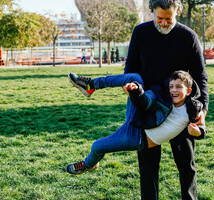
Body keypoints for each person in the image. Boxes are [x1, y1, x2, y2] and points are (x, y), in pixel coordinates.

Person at [125, 0, 208, 200]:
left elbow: (200, 76)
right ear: (152, 12)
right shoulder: (140, 32)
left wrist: (203, 110)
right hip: (148, 108)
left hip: (181, 109)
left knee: (186, 166)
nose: (163, 23)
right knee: (148, 167)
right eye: (159, 18)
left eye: (168, 19)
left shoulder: (188, 36)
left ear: (177, 13)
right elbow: (130, 71)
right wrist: (132, 91)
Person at [66, 71, 206, 175]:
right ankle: (91, 85)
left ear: (188, 91)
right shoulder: (164, 96)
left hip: (138, 138)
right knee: (135, 78)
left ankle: (88, 164)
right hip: (139, 117)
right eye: (171, 86)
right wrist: (136, 90)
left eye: (178, 87)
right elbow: (147, 100)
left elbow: (202, 130)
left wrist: (198, 132)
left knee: (97, 146)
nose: (174, 90)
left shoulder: (193, 109)